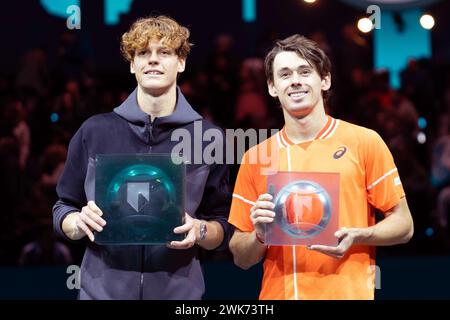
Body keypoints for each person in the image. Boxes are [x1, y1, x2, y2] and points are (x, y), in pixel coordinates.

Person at [53, 15, 231, 300]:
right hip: (100, 294)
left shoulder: (207, 138)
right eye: (143, 53)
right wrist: (76, 224)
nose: (153, 60)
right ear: (132, 64)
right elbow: (64, 206)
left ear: (181, 62)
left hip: (179, 296)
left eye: (165, 52)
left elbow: (223, 226)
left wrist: (199, 230)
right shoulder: (94, 131)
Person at [228, 34, 414, 300]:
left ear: (324, 80)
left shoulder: (365, 141)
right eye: (284, 74)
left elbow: (404, 225)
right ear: (272, 86)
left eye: (305, 72)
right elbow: (241, 258)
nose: (295, 81)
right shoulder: (256, 156)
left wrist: (358, 236)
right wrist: (259, 235)